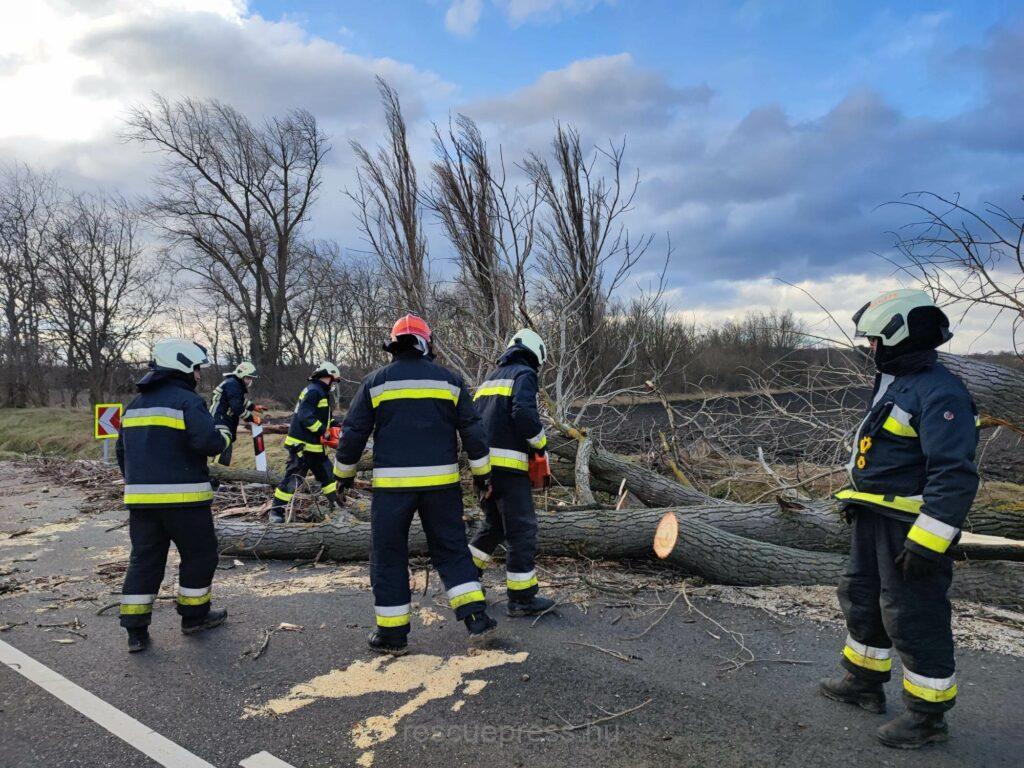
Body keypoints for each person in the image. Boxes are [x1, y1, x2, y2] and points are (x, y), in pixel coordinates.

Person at [820, 289, 979, 749]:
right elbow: (881, 454)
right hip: (875, 518)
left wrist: (929, 542)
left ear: (901, 335)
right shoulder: (896, 379)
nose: (871, 347)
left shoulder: (940, 391)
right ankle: (864, 683)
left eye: (875, 339)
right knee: (862, 597)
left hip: (911, 529)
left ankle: (928, 717)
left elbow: (954, 474)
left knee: (913, 615)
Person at [333, 314, 495, 655]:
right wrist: (483, 477)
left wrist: (342, 477)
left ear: (394, 345)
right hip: (442, 487)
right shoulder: (449, 381)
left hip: (393, 491)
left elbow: (352, 434)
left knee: (389, 555)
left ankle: (392, 637)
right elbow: (474, 432)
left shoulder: (375, 382)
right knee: (451, 549)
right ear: (427, 343)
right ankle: (476, 618)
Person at [116, 338, 233, 653]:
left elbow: (121, 454)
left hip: (141, 503)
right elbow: (207, 442)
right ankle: (194, 618)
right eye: (196, 368)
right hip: (185, 503)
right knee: (199, 556)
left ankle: (136, 631)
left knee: (144, 560)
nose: (198, 375)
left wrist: (141, 483)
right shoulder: (187, 401)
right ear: (182, 366)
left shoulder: (134, 406)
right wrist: (224, 433)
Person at [469, 329, 556, 616]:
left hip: (484, 471)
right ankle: (522, 598)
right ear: (535, 354)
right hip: (509, 471)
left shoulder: (488, 380)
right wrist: (540, 445)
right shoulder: (524, 374)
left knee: (494, 526)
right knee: (522, 530)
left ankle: (466, 581)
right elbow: (524, 414)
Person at [269, 362, 341, 524]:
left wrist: (334, 425)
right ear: (328, 377)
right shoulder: (314, 391)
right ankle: (276, 512)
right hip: (301, 446)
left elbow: (323, 416)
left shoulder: (320, 392)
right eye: (334, 381)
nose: (334, 385)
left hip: (315, 448)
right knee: (293, 479)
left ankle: (336, 505)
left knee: (328, 476)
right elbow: (305, 416)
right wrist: (323, 430)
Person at [209, 361, 259, 466]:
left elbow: (239, 400)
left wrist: (253, 407)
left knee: (226, 443)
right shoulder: (232, 384)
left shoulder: (234, 384)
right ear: (241, 375)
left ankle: (220, 472)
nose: (250, 381)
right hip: (219, 417)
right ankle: (217, 471)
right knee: (224, 444)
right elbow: (236, 407)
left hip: (223, 417)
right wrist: (251, 417)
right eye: (249, 378)